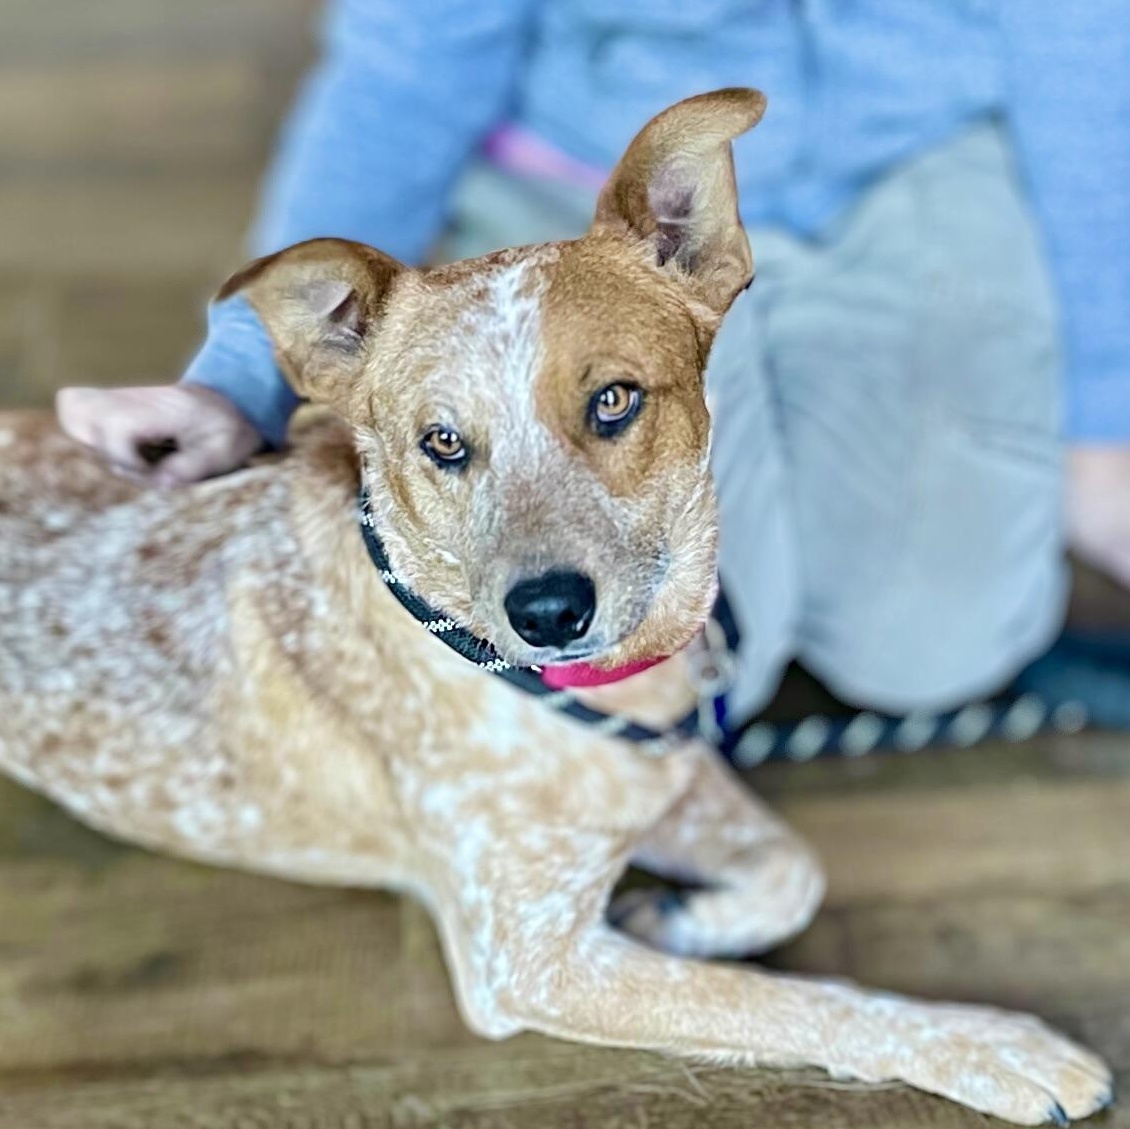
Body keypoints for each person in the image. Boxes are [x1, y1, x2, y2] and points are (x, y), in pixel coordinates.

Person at [58, 1, 1130, 725]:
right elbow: (402, 77)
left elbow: (1079, 49)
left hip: (917, 157)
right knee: (663, 669)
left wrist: (1099, 419)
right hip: (585, 180)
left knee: (932, 647)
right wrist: (238, 377)